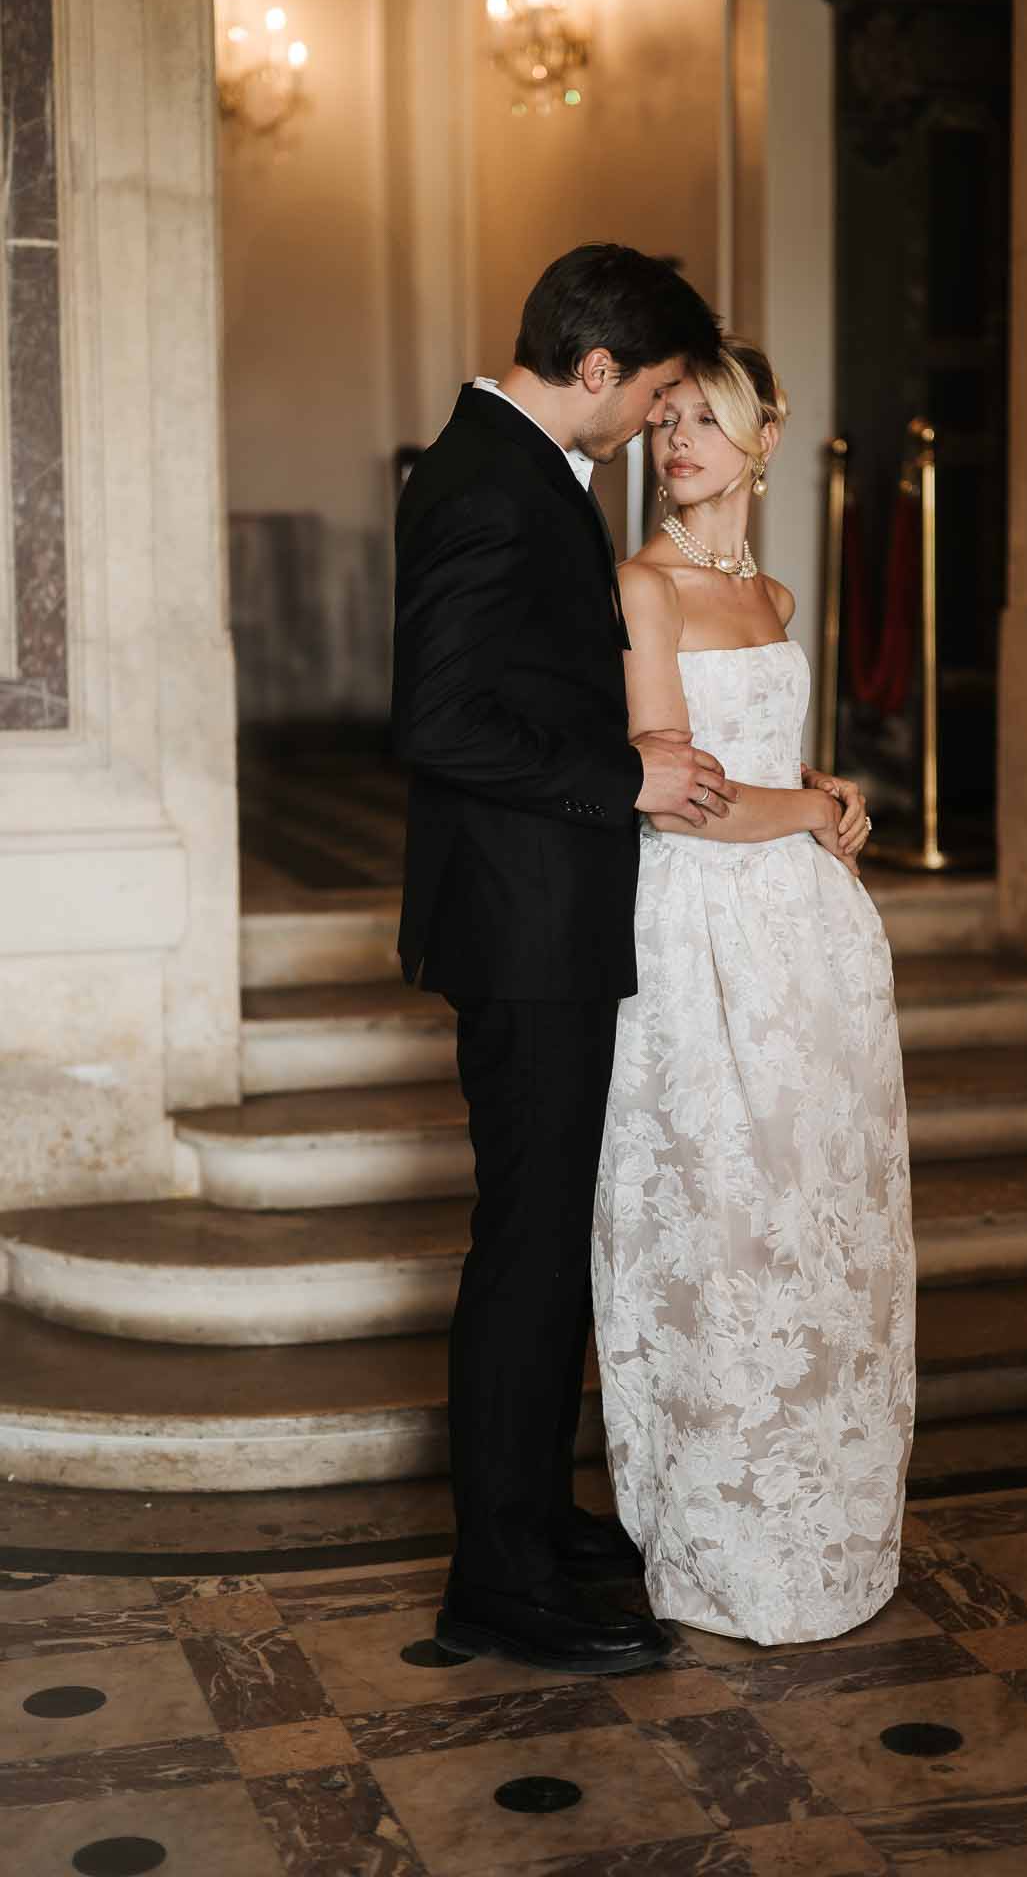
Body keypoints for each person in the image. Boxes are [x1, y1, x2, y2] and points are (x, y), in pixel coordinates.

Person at [391, 244, 730, 1675]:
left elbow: (517, 688)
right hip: (524, 927)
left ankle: (534, 1514)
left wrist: (621, 751)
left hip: (544, 914)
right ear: (596, 371)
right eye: (651, 390)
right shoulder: (489, 482)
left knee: (545, 1243)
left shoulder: (511, 466)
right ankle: (500, 1579)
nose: (652, 417)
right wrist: (626, 777)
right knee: (526, 1252)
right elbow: (441, 722)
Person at [592, 337, 916, 1647]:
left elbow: (763, 765)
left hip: (811, 939)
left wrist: (819, 802)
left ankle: (825, 1527)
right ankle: (721, 1538)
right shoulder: (640, 587)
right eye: (662, 421)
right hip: (702, 932)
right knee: (720, 1223)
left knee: (816, 1224)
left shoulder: (778, 594)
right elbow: (695, 804)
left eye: (704, 422)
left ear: (765, 438)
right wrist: (827, 802)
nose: (677, 443)